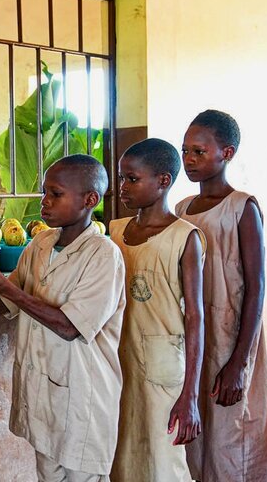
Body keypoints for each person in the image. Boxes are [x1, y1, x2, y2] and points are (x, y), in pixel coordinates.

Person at [0, 154, 125, 482]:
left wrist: (7, 288)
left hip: (82, 400)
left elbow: (70, 326)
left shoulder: (104, 255)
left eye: (56, 194)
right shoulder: (41, 242)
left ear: (90, 200)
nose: (44, 203)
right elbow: (9, 305)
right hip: (47, 397)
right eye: (45, 192)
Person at [175, 109, 267, 482]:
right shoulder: (182, 210)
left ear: (227, 153)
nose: (189, 160)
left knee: (235, 440)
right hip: (196, 338)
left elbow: (256, 285)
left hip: (232, 336)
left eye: (199, 151)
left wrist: (240, 362)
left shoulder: (242, 207)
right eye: (185, 150)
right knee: (200, 445)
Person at [110, 139, 205, 482]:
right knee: (122, 454)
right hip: (118, 358)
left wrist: (190, 395)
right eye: (121, 178)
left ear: (163, 181)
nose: (123, 187)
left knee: (163, 460)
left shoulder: (185, 237)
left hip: (163, 365)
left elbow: (195, 316)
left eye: (132, 179)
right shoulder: (115, 232)